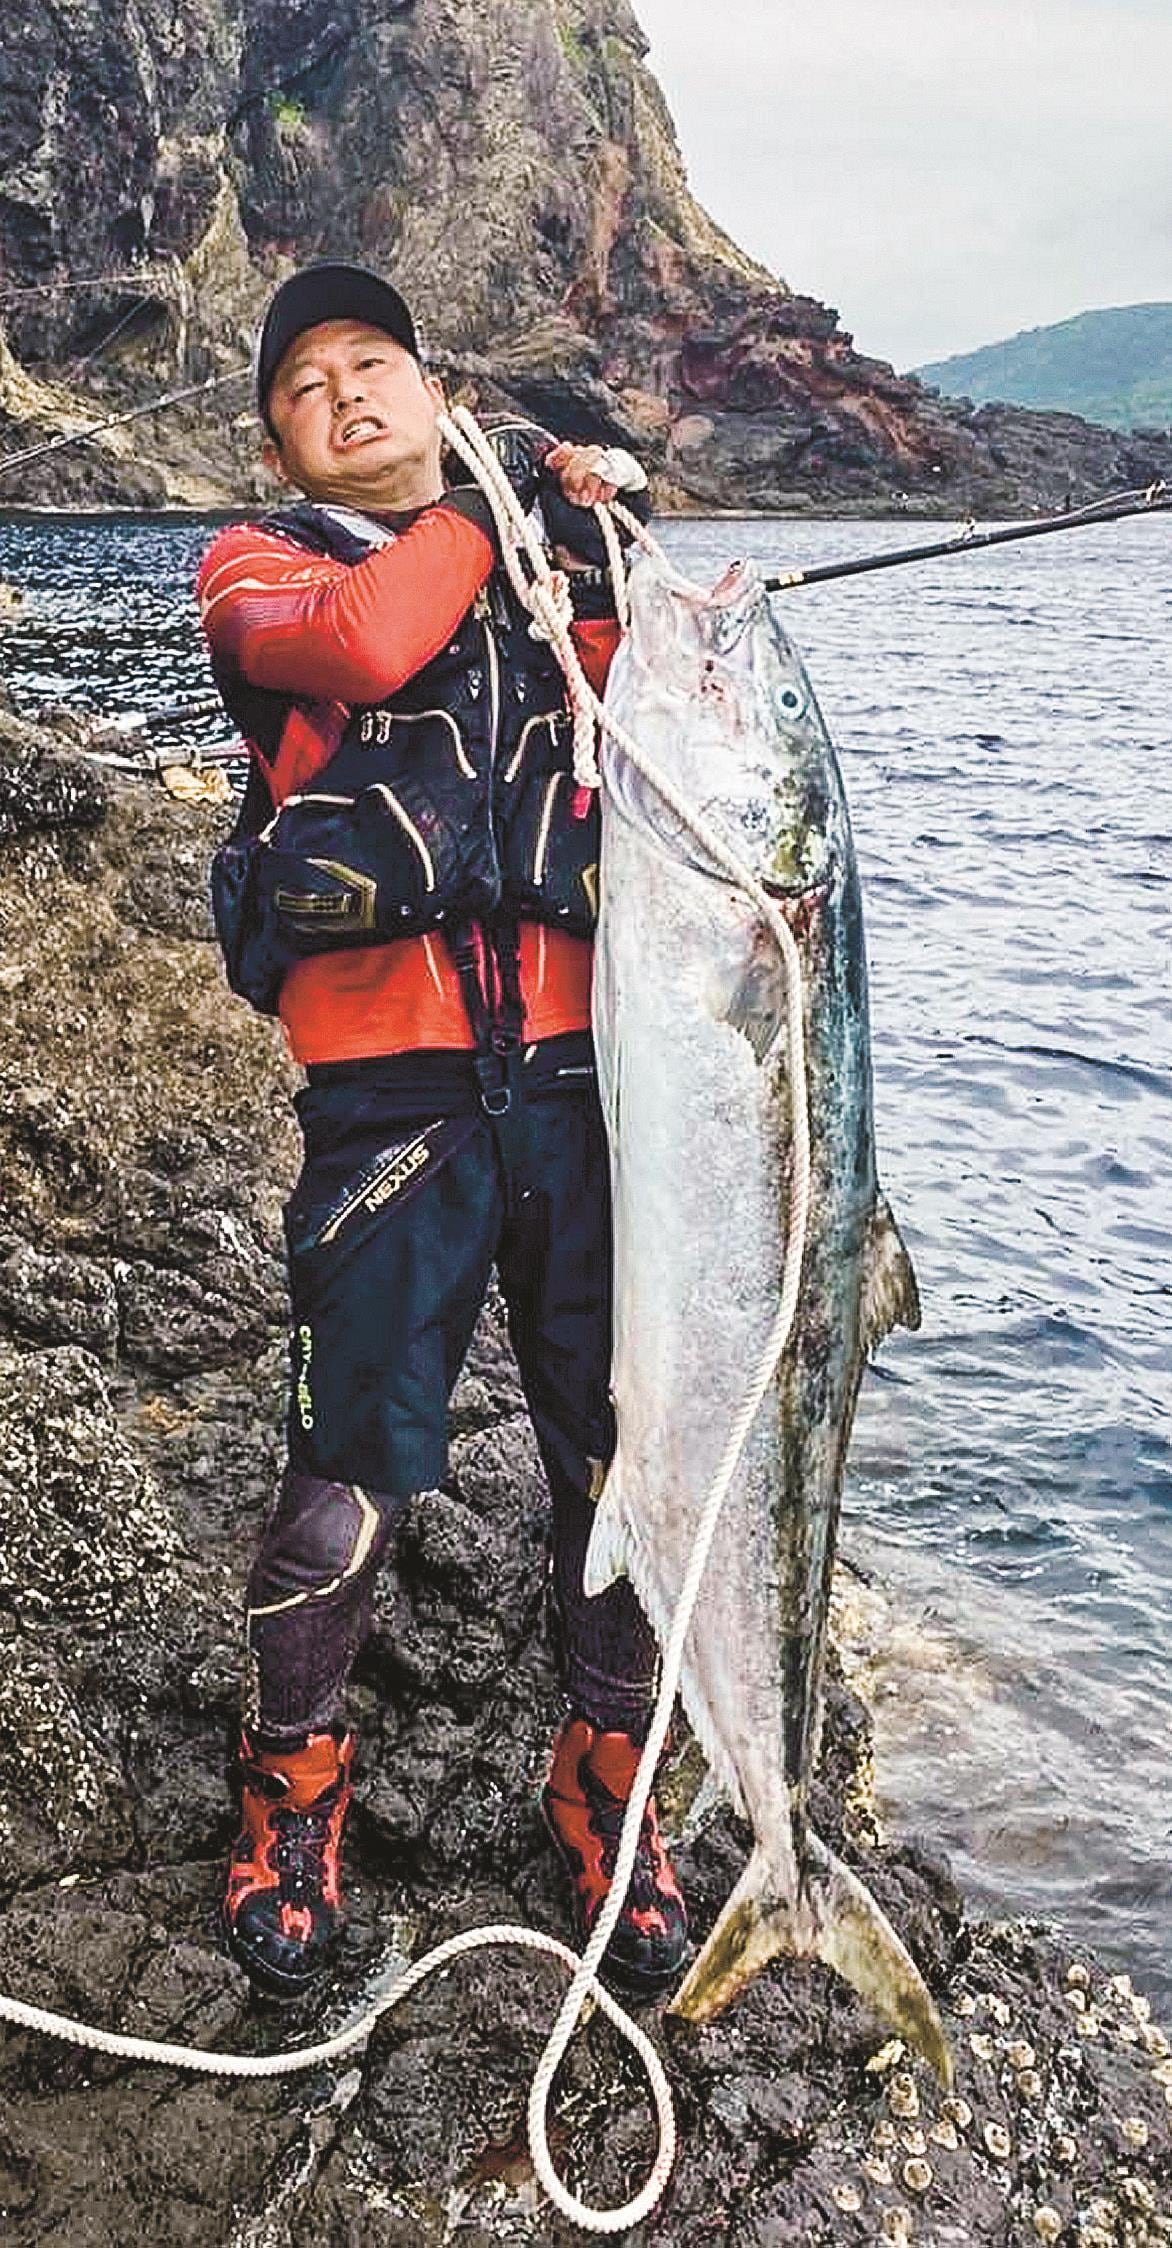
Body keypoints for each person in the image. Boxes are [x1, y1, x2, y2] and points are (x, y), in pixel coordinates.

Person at [196, 262, 688, 2006]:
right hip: (389, 1104)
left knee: (622, 1466)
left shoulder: (548, 589)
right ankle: (296, 1783)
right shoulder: (257, 572)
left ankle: (609, 1771)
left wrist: (606, 539)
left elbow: (674, 745)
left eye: (373, 361)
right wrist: (495, 500)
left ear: (430, 380)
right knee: (343, 1478)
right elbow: (370, 645)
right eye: (303, 380)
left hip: (582, 1090)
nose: (342, 393)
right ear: (276, 437)